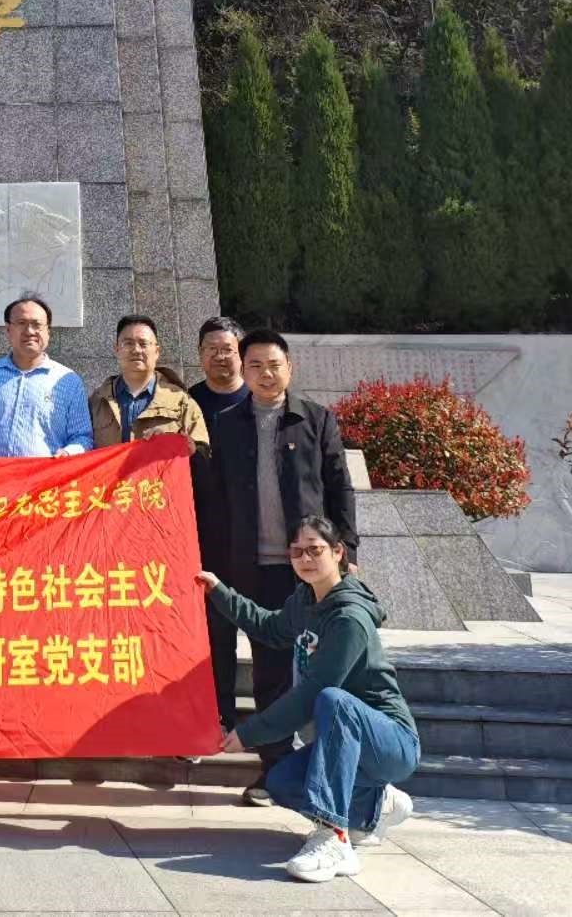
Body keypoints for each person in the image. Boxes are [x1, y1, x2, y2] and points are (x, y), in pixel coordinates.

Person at [198, 514, 418, 884]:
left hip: (391, 743)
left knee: (332, 699)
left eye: (315, 550)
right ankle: (375, 805)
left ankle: (333, 836)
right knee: (282, 782)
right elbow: (270, 627)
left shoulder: (349, 618)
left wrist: (250, 733)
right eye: (297, 551)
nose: (305, 559)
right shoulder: (305, 601)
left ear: (338, 552)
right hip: (345, 744)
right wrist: (219, 591)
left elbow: (313, 694)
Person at [209, 328, 357, 806]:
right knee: (270, 671)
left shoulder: (316, 419)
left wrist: (348, 552)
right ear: (243, 369)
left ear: (289, 368)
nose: (265, 374)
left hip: (310, 570)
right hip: (252, 566)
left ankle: (334, 769)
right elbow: (213, 497)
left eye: (274, 365)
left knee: (325, 671)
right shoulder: (227, 424)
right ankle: (274, 771)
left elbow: (339, 488)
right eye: (255, 365)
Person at [188, 314, 249, 729]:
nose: (219, 356)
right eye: (211, 349)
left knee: (268, 633)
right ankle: (221, 715)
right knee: (215, 632)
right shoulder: (186, 404)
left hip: (257, 537)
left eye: (227, 349)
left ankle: (275, 725)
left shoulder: (259, 399)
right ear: (199, 355)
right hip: (206, 536)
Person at [0, 295, 93, 458]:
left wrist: (68, 452)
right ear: (8, 330)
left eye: (37, 324)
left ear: (48, 331)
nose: (29, 331)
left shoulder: (69, 381)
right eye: (21, 323)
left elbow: (83, 437)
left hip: (44, 473)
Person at [88, 314, 210, 454]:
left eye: (143, 344)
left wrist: (174, 442)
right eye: (128, 343)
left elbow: (202, 454)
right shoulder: (97, 402)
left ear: (157, 351)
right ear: (117, 350)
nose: (136, 350)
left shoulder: (181, 401)